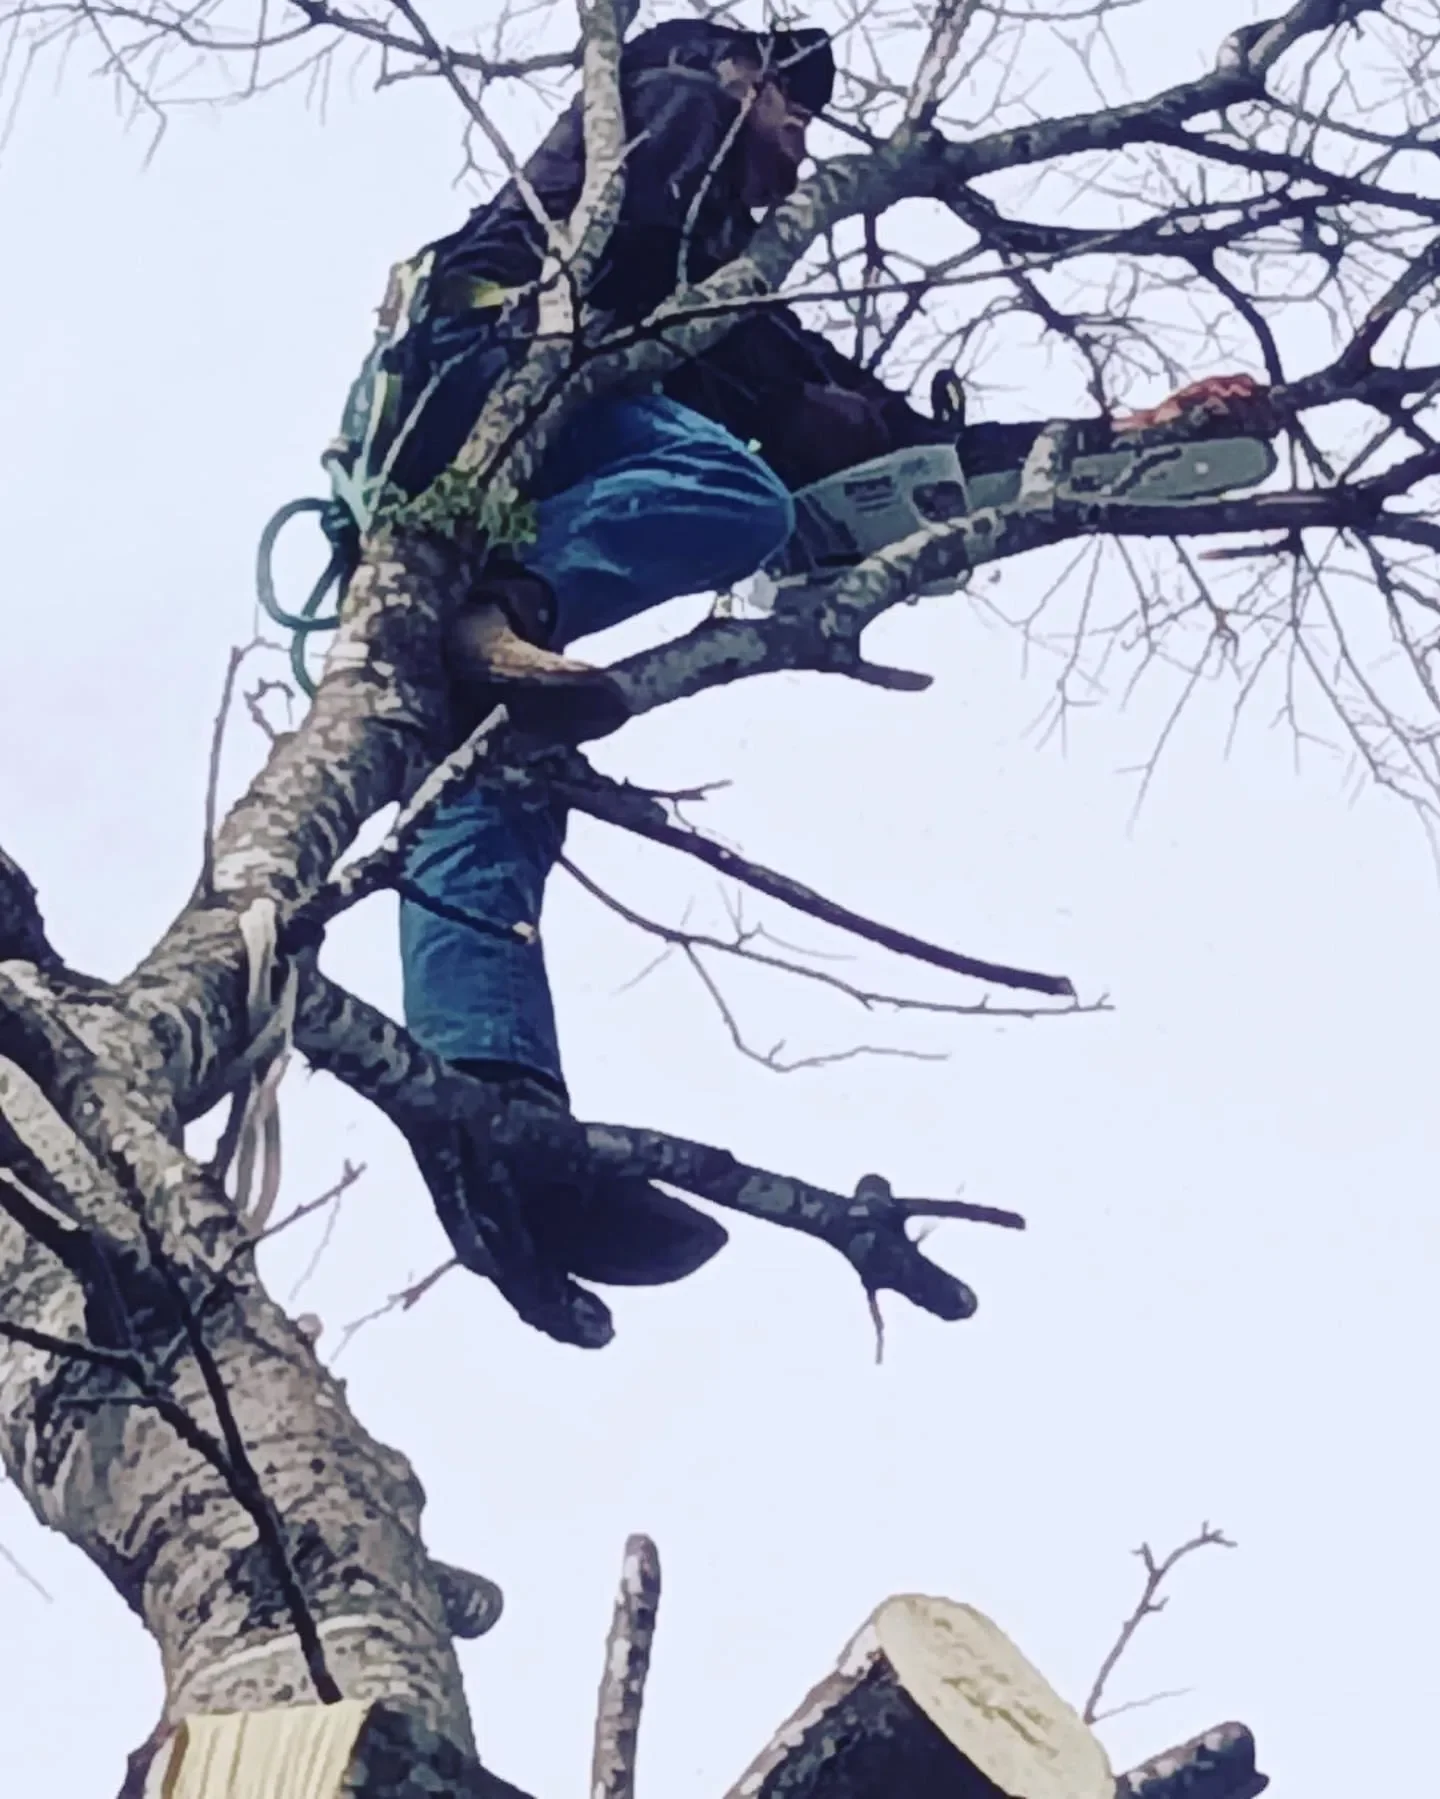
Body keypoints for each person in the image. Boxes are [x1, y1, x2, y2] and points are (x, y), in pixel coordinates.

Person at [324, 17, 1272, 1301]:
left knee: (486, 775)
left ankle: (496, 1121)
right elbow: (728, 341)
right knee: (731, 492)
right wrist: (787, 414)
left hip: (473, 448)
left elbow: (865, 439)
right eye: (788, 100)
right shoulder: (670, 119)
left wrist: (1100, 438)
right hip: (488, 364)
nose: (800, 134)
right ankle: (498, 604)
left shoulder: (720, 284)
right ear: (730, 73)